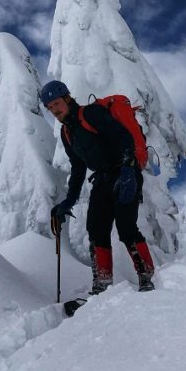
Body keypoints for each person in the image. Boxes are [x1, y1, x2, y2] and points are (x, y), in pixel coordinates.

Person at [41, 80, 155, 294]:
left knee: (126, 227)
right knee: (96, 230)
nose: (54, 110)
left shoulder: (91, 114)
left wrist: (129, 170)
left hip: (124, 172)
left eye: (56, 103)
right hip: (102, 180)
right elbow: (78, 169)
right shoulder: (68, 134)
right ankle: (102, 285)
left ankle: (146, 277)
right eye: (49, 108)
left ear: (67, 98)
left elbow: (124, 137)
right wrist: (69, 201)